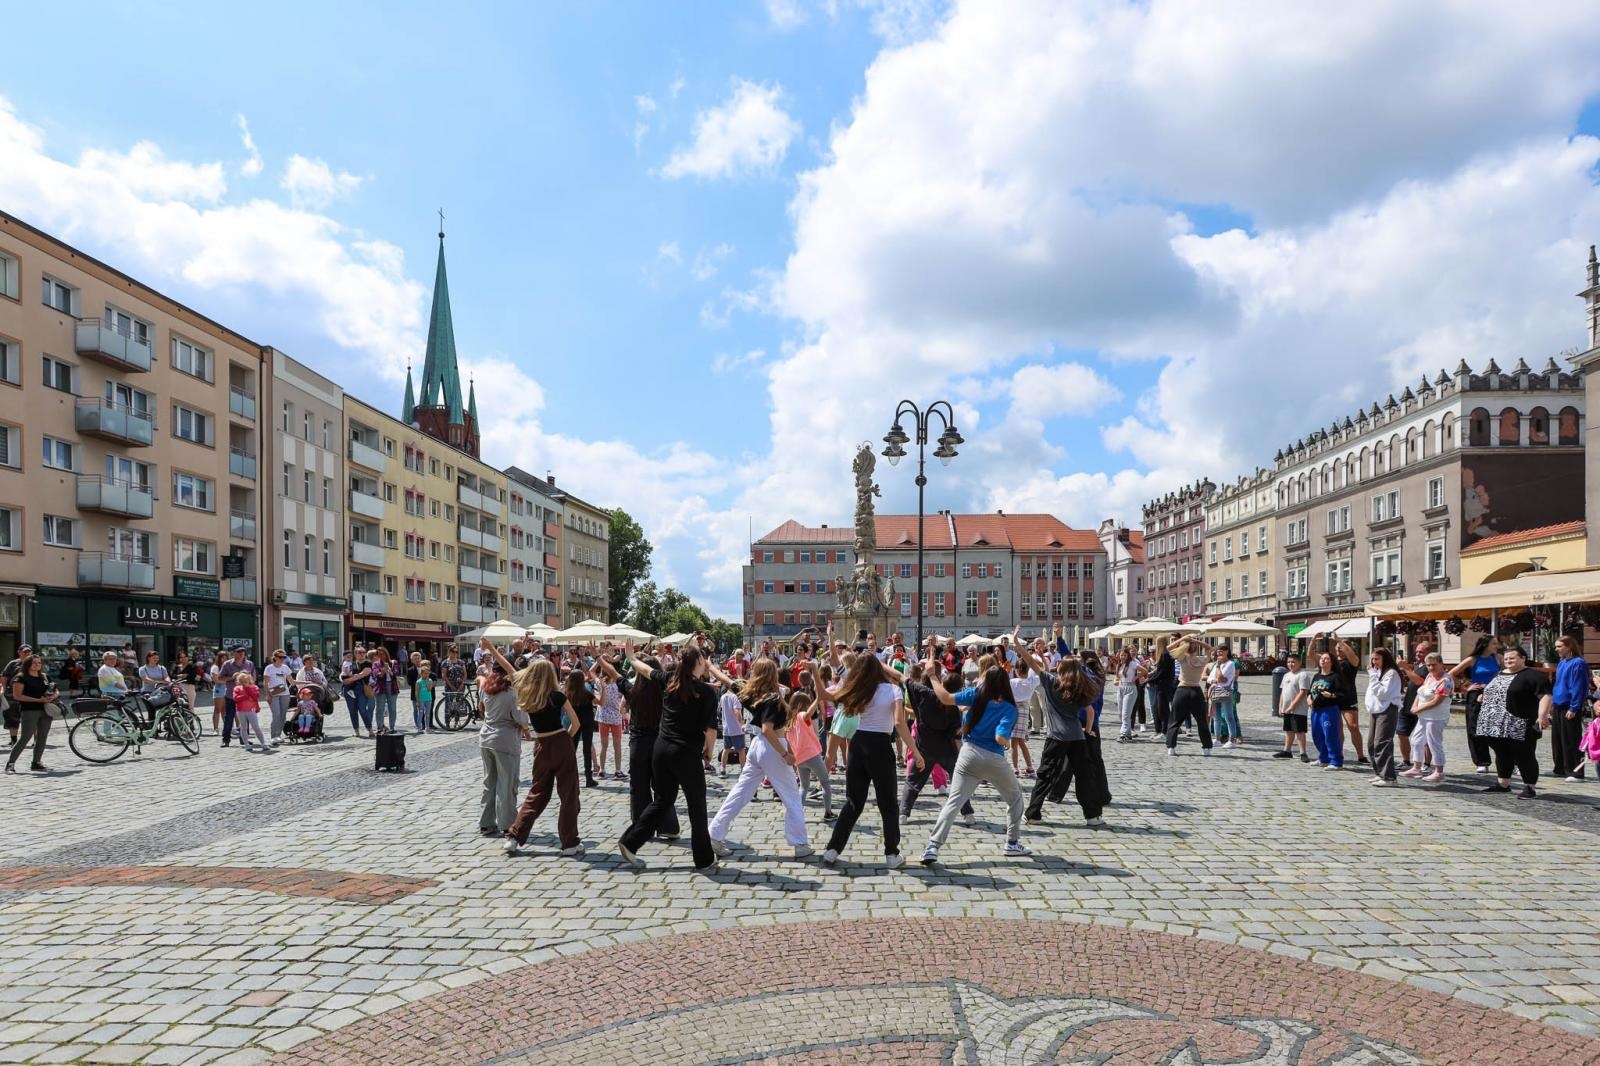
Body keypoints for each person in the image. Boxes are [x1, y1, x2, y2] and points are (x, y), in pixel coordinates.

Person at [618, 638, 731, 872]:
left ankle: (630, 841)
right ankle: (704, 859)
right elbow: (710, 731)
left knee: (662, 800)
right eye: (704, 659)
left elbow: (647, 671)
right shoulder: (705, 693)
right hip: (685, 754)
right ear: (699, 662)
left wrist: (630, 658)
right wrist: (708, 754)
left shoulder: (670, 681)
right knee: (696, 805)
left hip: (661, 750)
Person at [808, 651, 923, 868]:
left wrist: (814, 669)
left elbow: (822, 694)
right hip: (880, 745)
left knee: (853, 802)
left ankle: (832, 849)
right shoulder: (893, 690)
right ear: (880, 669)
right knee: (888, 804)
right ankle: (891, 854)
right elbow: (899, 724)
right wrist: (915, 752)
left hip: (858, 744)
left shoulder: (857, 689)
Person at [920, 665, 1030, 864]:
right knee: (1015, 798)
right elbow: (1000, 738)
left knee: (954, 802)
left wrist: (932, 676)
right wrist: (1007, 741)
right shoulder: (1009, 708)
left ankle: (932, 847)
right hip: (993, 759)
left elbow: (944, 697)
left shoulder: (975, 694)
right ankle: (1012, 843)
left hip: (968, 754)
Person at [709, 657, 812, 858]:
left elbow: (726, 680)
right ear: (773, 674)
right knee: (791, 796)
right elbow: (768, 729)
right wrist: (785, 754)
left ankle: (714, 833)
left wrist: (710, 666)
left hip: (756, 747)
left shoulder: (751, 693)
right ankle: (800, 843)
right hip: (772, 747)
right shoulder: (773, 698)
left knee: (740, 792)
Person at [494, 642, 583, 857]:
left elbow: (508, 668)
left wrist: (491, 649)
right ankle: (569, 843)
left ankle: (514, 837)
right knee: (569, 795)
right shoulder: (557, 696)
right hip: (560, 742)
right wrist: (566, 741)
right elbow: (576, 723)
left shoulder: (528, 694)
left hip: (541, 745)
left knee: (537, 793)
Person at [1013, 642, 1103, 826]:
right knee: (1085, 776)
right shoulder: (1079, 687)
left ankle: (1033, 814)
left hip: (1056, 737)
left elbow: (1030, 662)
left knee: (1046, 775)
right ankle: (1093, 816)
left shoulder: (1053, 682)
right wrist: (1087, 730)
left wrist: (1017, 644)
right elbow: (1091, 712)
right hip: (1077, 737)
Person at [901, 645, 973, 824]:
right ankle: (968, 814)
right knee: (959, 782)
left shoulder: (924, 695)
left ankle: (904, 812)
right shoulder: (954, 709)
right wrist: (963, 756)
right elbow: (957, 738)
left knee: (913, 781)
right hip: (947, 750)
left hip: (924, 747)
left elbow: (903, 679)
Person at [1474, 644, 1552, 799]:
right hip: (1494, 724)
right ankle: (1503, 784)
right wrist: (1484, 695)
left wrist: (1542, 716)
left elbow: (1546, 695)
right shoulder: (1500, 674)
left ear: (1523, 658)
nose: (1508, 661)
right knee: (1501, 753)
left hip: (1519, 723)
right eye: (1506, 658)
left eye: (1512, 658)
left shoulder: (1533, 675)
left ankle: (1529, 786)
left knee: (1524, 754)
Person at [477, 654, 532, 837]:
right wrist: (526, 729)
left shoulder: (486, 688)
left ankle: (486, 823)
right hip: (505, 740)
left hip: (485, 738)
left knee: (489, 782)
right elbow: (522, 719)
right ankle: (508, 823)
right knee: (507, 784)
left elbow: (481, 709)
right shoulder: (511, 693)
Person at [1450, 635, 1501, 774]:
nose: (1497, 646)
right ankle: (1482, 761)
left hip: (1495, 693)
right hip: (1476, 692)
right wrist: (1464, 687)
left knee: (1496, 727)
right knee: (1475, 727)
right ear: (1485, 645)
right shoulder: (1472, 659)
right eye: (1494, 643)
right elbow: (1451, 674)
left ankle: (1507, 760)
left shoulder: (1497, 658)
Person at [1400, 653, 1452, 783]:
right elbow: (1421, 691)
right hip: (1424, 716)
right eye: (1428, 665)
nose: (1431, 668)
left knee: (1434, 743)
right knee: (1416, 740)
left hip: (1436, 717)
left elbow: (1437, 701)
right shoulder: (1429, 676)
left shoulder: (1446, 681)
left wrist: (1419, 709)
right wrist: (1414, 705)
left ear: (1441, 664)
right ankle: (1416, 768)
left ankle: (1439, 771)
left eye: (1434, 665)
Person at [5, 654, 57, 773]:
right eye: (34, 663)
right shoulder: (21, 677)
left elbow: (55, 689)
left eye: (39, 663)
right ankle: (10, 763)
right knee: (25, 737)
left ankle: (36, 762)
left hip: (46, 709)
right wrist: (39, 700)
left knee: (42, 737)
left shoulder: (44, 676)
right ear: (28, 664)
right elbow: (17, 696)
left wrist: (53, 696)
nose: (37, 665)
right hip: (30, 710)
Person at [1550, 634, 1591, 782]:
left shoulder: (1578, 663)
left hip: (1570, 705)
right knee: (1558, 739)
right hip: (1559, 704)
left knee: (1571, 740)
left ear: (1569, 647)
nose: (1557, 649)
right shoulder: (1562, 663)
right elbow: (1558, 684)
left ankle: (1576, 772)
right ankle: (1560, 768)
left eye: (1559, 646)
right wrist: (1553, 703)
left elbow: (1579, 686)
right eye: (1556, 646)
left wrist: (1574, 707)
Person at [789, 690, 835, 821]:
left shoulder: (789, 721)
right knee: (825, 782)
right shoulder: (802, 715)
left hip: (799, 759)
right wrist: (818, 699)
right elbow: (808, 714)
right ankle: (828, 813)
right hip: (812, 755)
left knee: (803, 787)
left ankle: (798, 813)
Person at [1365, 647, 1404, 786]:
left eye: (1377, 659)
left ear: (1385, 659)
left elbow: (1382, 693)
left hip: (1387, 710)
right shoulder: (1378, 672)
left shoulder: (1391, 673)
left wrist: (1372, 675)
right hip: (1375, 710)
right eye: (1372, 659)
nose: (1374, 662)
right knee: (1371, 744)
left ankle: (1389, 777)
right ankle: (1379, 772)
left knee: (1382, 742)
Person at [1307, 651, 1345, 769]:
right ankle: (1323, 758)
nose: (1323, 660)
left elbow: (1342, 693)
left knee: (1330, 734)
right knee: (1317, 735)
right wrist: (1308, 698)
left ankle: (1336, 761)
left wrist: (1331, 695)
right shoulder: (1317, 676)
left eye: (1326, 659)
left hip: (1329, 710)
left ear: (1332, 662)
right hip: (1315, 709)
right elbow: (1310, 691)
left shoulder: (1335, 677)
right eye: (1322, 658)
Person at [564, 665, 598, 786]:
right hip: (587, 722)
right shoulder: (586, 692)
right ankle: (589, 778)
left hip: (574, 723)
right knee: (586, 750)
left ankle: (570, 776)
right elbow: (599, 702)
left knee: (572, 749)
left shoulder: (568, 692)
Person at [1273, 654, 1312, 761]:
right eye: (1289, 662)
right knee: (1288, 730)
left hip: (1298, 710)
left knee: (1299, 731)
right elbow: (1283, 692)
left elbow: (1303, 692)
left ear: (1299, 663)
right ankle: (1287, 750)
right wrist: (1281, 706)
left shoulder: (1303, 675)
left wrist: (1292, 706)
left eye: (1293, 662)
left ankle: (1303, 752)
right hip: (1287, 709)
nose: (1291, 664)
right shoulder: (1286, 675)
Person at [1204, 646, 1240, 749]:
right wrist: (1214, 679)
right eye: (1218, 652)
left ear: (1227, 652)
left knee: (1229, 716)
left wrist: (1218, 668)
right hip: (1215, 691)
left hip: (1225, 692)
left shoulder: (1230, 664)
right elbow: (1209, 678)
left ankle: (1232, 740)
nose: (1219, 654)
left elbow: (1222, 679)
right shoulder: (1216, 664)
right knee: (1216, 716)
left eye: (1221, 652)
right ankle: (1217, 738)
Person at [594, 666, 626, 781]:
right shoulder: (618, 684)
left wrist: (600, 658)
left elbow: (591, 671)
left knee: (604, 745)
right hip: (616, 717)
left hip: (603, 717)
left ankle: (602, 770)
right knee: (617, 746)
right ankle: (618, 771)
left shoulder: (599, 683)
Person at [1010, 657, 1039, 771]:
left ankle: (1015, 768)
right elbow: (1044, 670)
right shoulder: (1032, 681)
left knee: (1014, 743)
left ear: (1016, 670)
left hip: (1013, 711)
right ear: (1028, 670)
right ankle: (1029, 766)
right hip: (1025, 711)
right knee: (1021, 741)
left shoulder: (1012, 682)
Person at [232, 671, 271, 752]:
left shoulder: (254, 687)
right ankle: (246, 744)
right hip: (240, 711)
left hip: (251, 710)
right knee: (243, 727)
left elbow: (255, 697)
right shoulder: (236, 688)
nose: (244, 683)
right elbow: (236, 698)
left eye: (245, 681)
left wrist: (247, 688)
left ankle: (263, 743)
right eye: (242, 682)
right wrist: (246, 696)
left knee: (256, 727)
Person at [263, 650, 294, 745]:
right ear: (275, 657)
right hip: (273, 694)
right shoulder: (269, 668)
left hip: (285, 694)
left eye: (284, 657)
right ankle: (273, 736)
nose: (282, 659)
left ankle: (278, 735)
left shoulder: (285, 667)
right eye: (280, 657)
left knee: (283, 715)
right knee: (276, 715)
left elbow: (291, 681)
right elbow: (266, 683)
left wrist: (305, 682)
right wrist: (267, 695)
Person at [1113, 647, 1144, 742]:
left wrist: (1135, 678)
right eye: (1121, 655)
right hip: (1121, 688)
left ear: (1128, 656)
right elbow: (1117, 676)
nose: (1123, 657)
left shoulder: (1132, 664)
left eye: (1125, 655)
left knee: (1126, 713)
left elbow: (1144, 671)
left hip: (1130, 689)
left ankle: (1123, 734)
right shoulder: (1120, 665)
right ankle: (1128, 733)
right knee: (1120, 713)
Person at [717, 682, 746, 778]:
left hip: (726, 728)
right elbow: (737, 711)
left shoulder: (723, 697)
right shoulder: (735, 697)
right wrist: (742, 723)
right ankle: (743, 769)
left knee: (726, 749)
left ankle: (722, 769)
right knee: (741, 750)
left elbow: (721, 710)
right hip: (736, 729)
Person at [367, 648, 399, 734]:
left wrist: (389, 670)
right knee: (379, 709)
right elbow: (375, 675)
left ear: (386, 654)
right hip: (380, 687)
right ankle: (380, 727)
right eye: (379, 654)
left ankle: (392, 727)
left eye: (383, 654)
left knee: (392, 708)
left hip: (392, 687)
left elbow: (396, 673)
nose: (381, 656)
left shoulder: (393, 662)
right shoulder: (376, 664)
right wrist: (383, 671)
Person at [1148, 636, 1174, 737]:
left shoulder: (1165, 655)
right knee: (1159, 708)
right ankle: (1159, 730)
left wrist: (1150, 680)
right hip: (1162, 684)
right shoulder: (1165, 655)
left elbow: (1162, 672)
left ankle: (1165, 731)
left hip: (1164, 685)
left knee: (1162, 709)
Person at [414, 663, 436, 734]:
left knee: (427, 714)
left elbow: (429, 689)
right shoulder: (418, 682)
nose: (427, 675)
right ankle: (419, 727)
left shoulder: (430, 680)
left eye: (428, 673)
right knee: (420, 713)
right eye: (425, 673)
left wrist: (428, 683)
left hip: (428, 699)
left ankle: (427, 727)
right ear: (421, 673)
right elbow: (416, 692)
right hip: (421, 700)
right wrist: (417, 701)